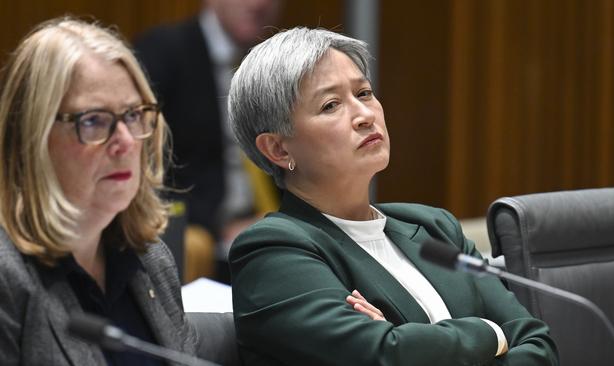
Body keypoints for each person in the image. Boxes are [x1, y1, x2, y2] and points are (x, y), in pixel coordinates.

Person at [227, 27, 559, 365]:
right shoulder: (273, 252)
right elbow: (384, 355)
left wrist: (408, 340)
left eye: (365, 93)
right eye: (330, 105)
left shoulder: (434, 228)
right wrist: (492, 333)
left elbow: (537, 344)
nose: (365, 115)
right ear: (278, 149)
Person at [0, 17, 197, 365]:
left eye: (134, 115)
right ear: (32, 137)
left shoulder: (152, 260)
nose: (124, 142)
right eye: (93, 120)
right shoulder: (8, 278)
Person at [133, 0, 282, 283]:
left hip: (264, 227)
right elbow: (142, 162)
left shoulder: (273, 63)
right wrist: (215, 227)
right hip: (200, 237)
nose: (261, 3)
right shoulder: (164, 51)